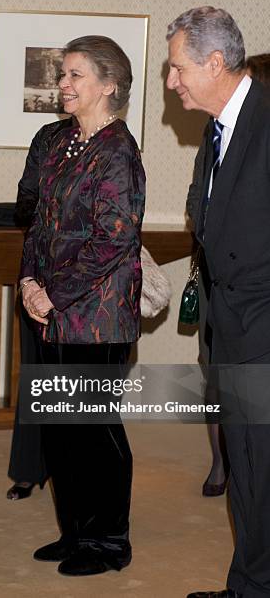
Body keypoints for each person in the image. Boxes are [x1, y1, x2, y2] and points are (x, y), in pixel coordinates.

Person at [20, 35, 145, 576]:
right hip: (52, 313)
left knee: (95, 433)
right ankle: (74, 532)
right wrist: (28, 279)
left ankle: (109, 543)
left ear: (109, 85)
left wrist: (53, 291)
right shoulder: (57, 142)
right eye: (62, 74)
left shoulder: (119, 151)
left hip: (97, 316)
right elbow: (38, 219)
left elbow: (113, 240)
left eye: (75, 76)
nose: (63, 84)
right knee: (60, 429)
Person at [167, 7, 270, 598]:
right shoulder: (217, 128)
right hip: (229, 326)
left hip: (264, 329)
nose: (172, 81)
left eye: (179, 68)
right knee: (248, 471)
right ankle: (248, 585)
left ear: (214, 62)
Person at [187, 52, 270, 499]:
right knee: (215, 377)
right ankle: (222, 462)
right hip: (217, 283)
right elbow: (199, 195)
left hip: (257, 299)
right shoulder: (213, 134)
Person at [7, 116, 73, 500]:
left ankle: (73, 472)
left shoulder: (116, 142)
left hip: (88, 284)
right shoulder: (47, 136)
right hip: (39, 272)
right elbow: (23, 204)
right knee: (36, 374)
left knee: (78, 382)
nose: (65, 85)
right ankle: (30, 469)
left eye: (75, 76)